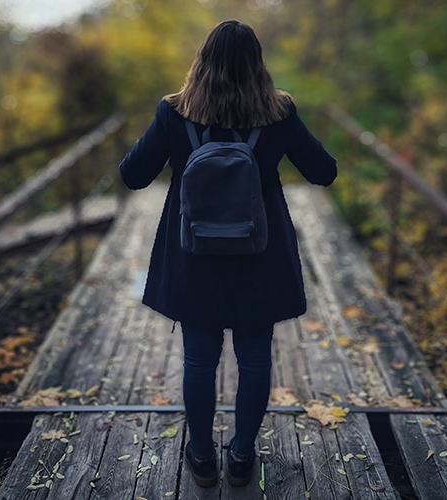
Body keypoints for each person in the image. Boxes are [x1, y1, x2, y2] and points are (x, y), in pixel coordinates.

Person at [119, 20, 337, 488]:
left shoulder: (174, 113)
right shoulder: (280, 114)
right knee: (256, 359)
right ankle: (241, 457)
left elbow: (133, 175)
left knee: (199, 359)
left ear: (201, 62)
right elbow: (323, 173)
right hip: (260, 257)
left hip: (194, 257)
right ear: (258, 64)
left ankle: (201, 457)